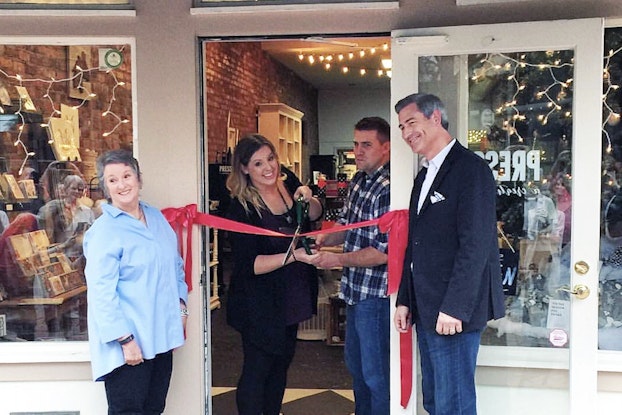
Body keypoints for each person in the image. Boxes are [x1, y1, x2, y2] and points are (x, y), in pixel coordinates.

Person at [393, 93, 505, 415]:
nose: (405, 133)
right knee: (434, 401)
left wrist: (455, 307)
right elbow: (415, 244)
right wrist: (405, 299)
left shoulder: (471, 170)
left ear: (435, 117)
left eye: (411, 123)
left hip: (453, 313)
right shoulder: (423, 175)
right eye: (401, 126)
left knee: (453, 404)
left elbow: (477, 245)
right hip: (427, 308)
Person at [83, 149, 188, 415]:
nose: (122, 185)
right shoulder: (103, 233)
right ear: (106, 187)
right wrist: (126, 340)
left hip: (161, 339)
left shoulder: (156, 218)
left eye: (127, 176)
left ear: (139, 179)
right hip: (128, 346)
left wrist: (181, 306)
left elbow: (175, 266)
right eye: (113, 180)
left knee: (154, 409)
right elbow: (101, 294)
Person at [225, 134, 322, 415]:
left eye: (271, 158)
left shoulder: (287, 181)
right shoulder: (240, 208)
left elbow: (313, 214)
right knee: (258, 371)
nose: (269, 168)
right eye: (258, 163)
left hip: (290, 297)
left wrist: (308, 195)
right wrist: (294, 255)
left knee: (280, 368)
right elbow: (248, 265)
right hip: (258, 304)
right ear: (244, 169)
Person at [310, 116, 391, 415]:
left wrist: (337, 259)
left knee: (377, 376)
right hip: (355, 292)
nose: (358, 151)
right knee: (357, 370)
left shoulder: (390, 187)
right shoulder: (359, 180)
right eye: (356, 144)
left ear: (386, 147)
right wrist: (323, 237)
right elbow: (347, 223)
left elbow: (384, 252)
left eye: (366, 145)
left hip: (377, 297)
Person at [38, 174, 94, 264]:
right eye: (73, 188)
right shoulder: (54, 208)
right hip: (59, 258)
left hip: (81, 258)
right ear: (66, 189)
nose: (77, 192)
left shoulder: (87, 211)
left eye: (80, 189)